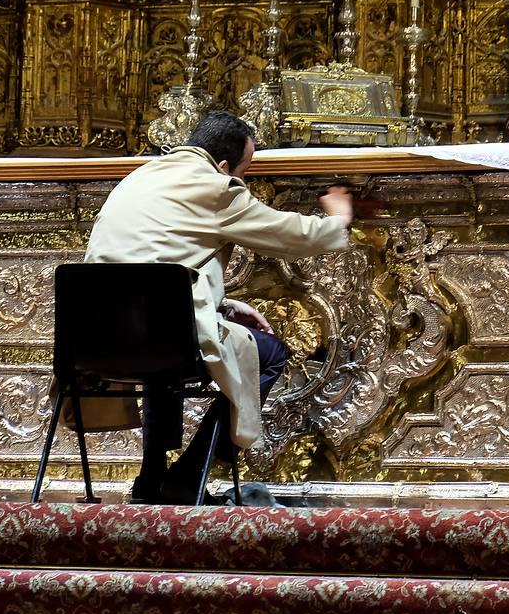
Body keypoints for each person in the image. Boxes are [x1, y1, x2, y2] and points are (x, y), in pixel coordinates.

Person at [84, 111, 354, 504]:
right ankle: (189, 473)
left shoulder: (139, 177)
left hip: (96, 336)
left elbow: (146, 265)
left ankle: (151, 478)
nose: (241, 181)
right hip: (163, 335)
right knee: (270, 354)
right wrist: (339, 219)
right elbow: (291, 235)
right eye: (244, 172)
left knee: (165, 359)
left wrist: (222, 304)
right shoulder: (215, 186)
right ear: (224, 165)